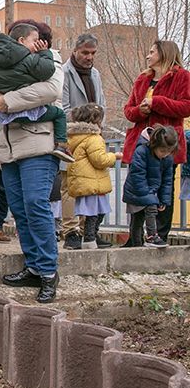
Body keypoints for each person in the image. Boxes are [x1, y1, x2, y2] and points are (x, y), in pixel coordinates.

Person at [0, 19, 62, 304]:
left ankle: (48, 272)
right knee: (20, 210)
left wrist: (8, 100)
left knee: (36, 204)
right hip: (7, 149)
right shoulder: (0, 63)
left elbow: (51, 92)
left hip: (38, 145)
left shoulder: (49, 57)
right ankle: (33, 266)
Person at [123, 40, 190, 243]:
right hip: (141, 145)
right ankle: (135, 239)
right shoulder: (143, 78)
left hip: (165, 145)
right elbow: (128, 110)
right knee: (137, 189)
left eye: (152, 52)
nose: (148, 55)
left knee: (163, 190)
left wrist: (157, 102)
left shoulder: (182, 76)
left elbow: (186, 107)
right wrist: (140, 111)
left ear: (164, 53)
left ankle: (159, 236)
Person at [0, 24, 72, 163]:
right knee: (59, 114)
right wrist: (44, 53)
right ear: (22, 40)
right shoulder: (29, 59)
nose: (37, 44)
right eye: (35, 40)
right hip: (29, 112)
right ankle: (61, 145)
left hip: (4, 116)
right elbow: (47, 71)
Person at [62, 33, 107, 250]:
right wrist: (86, 119)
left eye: (93, 53)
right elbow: (62, 108)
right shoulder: (64, 73)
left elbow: (102, 104)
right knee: (70, 186)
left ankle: (88, 232)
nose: (89, 57)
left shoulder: (95, 74)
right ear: (75, 51)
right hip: (72, 137)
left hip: (94, 136)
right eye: (85, 53)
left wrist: (98, 124)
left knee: (90, 186)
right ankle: (71, 231)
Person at [65, 103, 122, 249]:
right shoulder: (94, 138)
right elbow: (100, 160)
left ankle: (90, 237)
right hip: (93, 183)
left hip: (84, 181)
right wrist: (114, 156)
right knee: (95, 212)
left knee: (93, 212)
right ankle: (90, 238)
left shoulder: (75, 137)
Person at [123, 126, 178, 247]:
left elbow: (167, 181)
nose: (165, 154)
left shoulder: (167, 159)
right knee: (142, 215)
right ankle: (150, 237)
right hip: (136, 190)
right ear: (154, 144)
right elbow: (137, 175)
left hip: (150, 191)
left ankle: (138, 244)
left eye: (169, 151)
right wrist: (149, 196)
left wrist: (163, 200)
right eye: (162, 151)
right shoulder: (141, 151)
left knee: (139, 217)